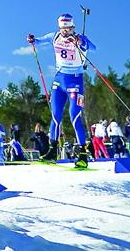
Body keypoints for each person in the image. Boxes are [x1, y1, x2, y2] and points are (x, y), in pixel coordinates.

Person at [27, 13, 96, 169]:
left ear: (72, 27)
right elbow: (39, 41)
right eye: (63, 29)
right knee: (55, 115)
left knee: (74, 116)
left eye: (68, 28)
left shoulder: (79, 38)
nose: (65, 31)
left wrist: (81, 42)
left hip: (75, 81)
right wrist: (32, 40)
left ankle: (83, 154)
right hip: (59, 79)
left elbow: (94, 48)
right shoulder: (55, 36)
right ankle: (52, 151)